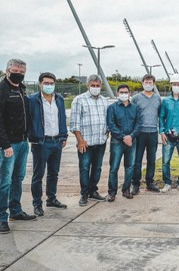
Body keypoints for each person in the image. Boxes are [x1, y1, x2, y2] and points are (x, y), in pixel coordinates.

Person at [0, 58, 35, 233]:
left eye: (22, 72)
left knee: (18, 178)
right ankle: (1, 217)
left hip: (22, 143)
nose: (19, 74)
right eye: (16, 70)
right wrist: (5, 145)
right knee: (4, 182)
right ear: (7, 70)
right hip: (7, 145)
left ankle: (15, 210)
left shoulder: (21, 90)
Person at [27, 72, 68, 217]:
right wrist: (32, 136)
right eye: (46, 83)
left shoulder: (59, 99)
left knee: (53, 173)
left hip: (57, 141)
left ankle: (51, 198)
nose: (49, 86)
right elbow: (28, 120)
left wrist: (64, 136)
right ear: (40, 84)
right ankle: (37, 204)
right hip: (41, 142)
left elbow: (61, 118)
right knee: (38, 175)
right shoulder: (32, 100)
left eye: (51, 83)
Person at [70, 74, 109, 206]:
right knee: (84, 168)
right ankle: (84, 194)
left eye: (98, 86)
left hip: (100, 141)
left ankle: (93, 191)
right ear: (88, 86)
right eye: (93, 85)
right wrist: (80, 140)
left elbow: (107, 119)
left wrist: (106, 133)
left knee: (97, 168)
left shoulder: (104, 100)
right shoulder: (79, 100)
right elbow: (74, 123)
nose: (95, 88)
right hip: (85, 143)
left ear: (101, 86)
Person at [106, 84, 141, 202]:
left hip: (132, 141)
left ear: (129, 93)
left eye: (126, 92)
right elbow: (111, 125)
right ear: (117, 94)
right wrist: (123, 137)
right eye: (121, 92)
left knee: (130, 166)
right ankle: (112, 192)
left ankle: (126, 189)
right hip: (117, 141)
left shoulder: (135, 108)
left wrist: (131, 137)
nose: (124, 94)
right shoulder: (112, 108)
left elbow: (138, 124)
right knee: (114, 167)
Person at [131, 74, 163, 194]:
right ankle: (135, 184)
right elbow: (132, 114)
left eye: (150, 83)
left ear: (153, 84)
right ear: (142, 83)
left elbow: (159, 115)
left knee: (151, 159)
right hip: (140, 133)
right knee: (137, 160)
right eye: (146, 82)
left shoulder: (157, 98)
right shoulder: (136, 98)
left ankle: (150, 182)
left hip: (153, 133)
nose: (148, 84)